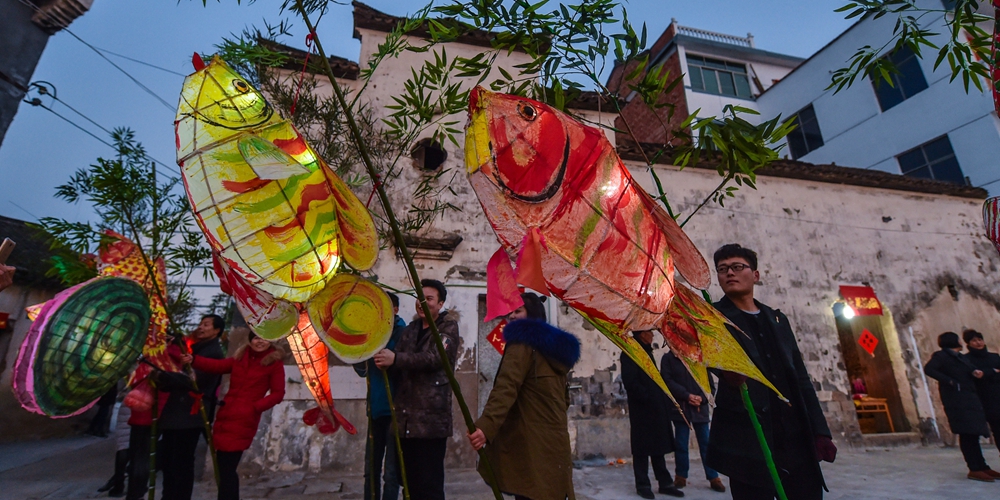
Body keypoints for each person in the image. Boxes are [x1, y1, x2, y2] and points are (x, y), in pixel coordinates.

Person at [708, 244, 834, 500]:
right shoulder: (713, 318)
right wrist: (726, 373)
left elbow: (800, 378)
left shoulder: (778, 320)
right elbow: (709, 360)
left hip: (795, 436)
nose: (729, 273)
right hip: (749, 439)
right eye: (722, 269)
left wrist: (820, 430)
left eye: (737, 267)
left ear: (755, 275)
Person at [467, 292, 580, 500]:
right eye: (510, 312)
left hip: (531, 442)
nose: (511, 317)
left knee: (530, 491)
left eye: (517, 311)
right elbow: (564, 400)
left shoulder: (522, 343)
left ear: (533, 314)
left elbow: (506, 386)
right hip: (555, 441)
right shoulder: (557, 351)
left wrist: (486, 425)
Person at [373, 279, 459, 500]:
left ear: (440, 304)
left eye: (429, 298)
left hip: (431, 421)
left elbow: (434, 358)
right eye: (419, 298)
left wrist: (396, 359)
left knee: (429, 484)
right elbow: (398, 365)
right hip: (406, 420)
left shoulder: (448, 328)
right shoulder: (410, 329)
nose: (423, 303)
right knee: (408, 482)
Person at [181, 328, 286, 500]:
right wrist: (194, 360)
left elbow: (278, 393)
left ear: (271, 342)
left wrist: (254, 407)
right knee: (222, 468)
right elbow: (217, 366)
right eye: (256, 338)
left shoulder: (273, 364)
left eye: (264, 339)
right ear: (250, 340)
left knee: (227, 469)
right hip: (225, 416)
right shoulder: (240, 358)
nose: (260, 342)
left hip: (244, 420)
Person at [158, 314, 225, 500]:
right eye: (201, 324)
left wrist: (165, 376)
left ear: (217, 330)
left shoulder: (213, 352)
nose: (201, 328)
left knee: (181, 462)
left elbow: (193, 381)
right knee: (169, 461)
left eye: (206, 325)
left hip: (190, 415)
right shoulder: (194, 348)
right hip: (177, 414)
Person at [925, 331, 998, 482]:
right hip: (957, 401)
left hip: (969, 399)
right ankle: (974, 468)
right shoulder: (942, 356)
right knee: (967, 433)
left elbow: (972, 372)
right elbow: (929, 369)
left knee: (973, 433)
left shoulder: (959, 357)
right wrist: (950, 382)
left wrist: (984, 372)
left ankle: (982, 466)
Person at [354, 292, 406, 500]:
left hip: (396, 409)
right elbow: (362, 370)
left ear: (395, 310)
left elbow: (406, 368)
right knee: (371, 469)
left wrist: (392, 360)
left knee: (391, 472)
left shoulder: (404, 334)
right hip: (375, 408)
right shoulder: (372, 333)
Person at [621, 330, 684, 499]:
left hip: (656, 409)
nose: (653, 336)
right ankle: (642, 484)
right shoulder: (630, 351)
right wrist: (647, 397)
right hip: (642, 410)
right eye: (650, 332)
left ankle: (665, 483)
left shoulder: (647, 351)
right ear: (642, 334)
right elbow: (630, 382)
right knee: (641, 449)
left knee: (658, 447)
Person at [660, 349, 724, 493]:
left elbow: (709, 384)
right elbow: (667, 381)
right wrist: (687, 395)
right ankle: (681, 476)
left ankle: (713, 477)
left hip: (699, 409)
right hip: (681, 408)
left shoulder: (699, 357)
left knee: (706, 443)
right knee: (681, 444)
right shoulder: (668, 359)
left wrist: (702, 398)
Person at [964, 329, 1000, 457]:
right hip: (980, 399)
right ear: (968, 343)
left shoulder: (994, 357)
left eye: (980, 339)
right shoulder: (966, 360)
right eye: (974, 340)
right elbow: (973, 376)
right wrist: (993, 371)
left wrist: (986, 373)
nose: (978, 343)